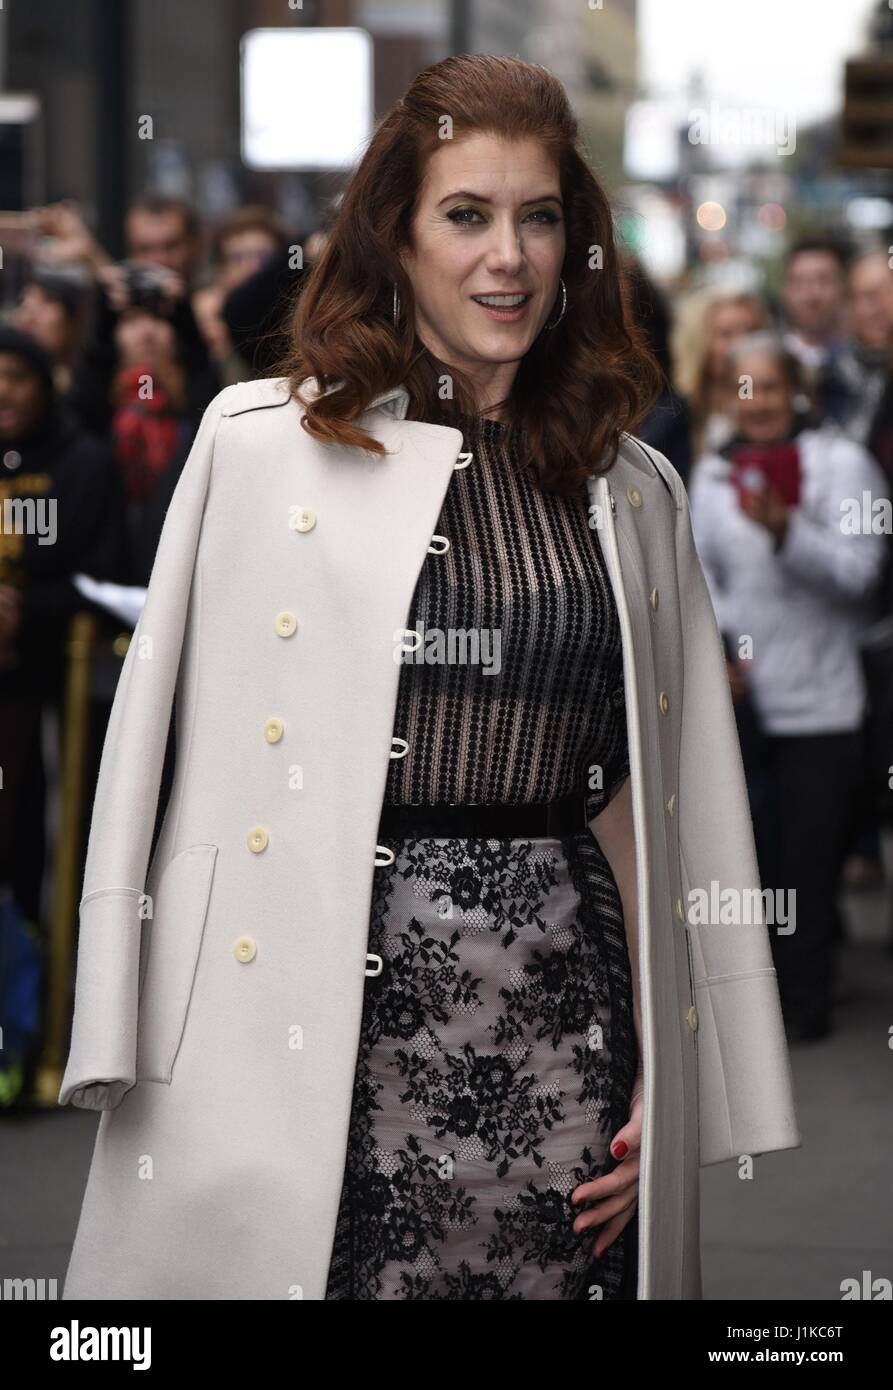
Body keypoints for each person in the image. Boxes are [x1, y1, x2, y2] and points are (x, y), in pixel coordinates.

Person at [58, 54, 799, 1302]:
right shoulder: (260, 449)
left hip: (560, 1022)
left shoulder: (632, 490)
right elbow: (146, 758)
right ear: (395, 239)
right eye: (465, 216)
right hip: (300, 1025)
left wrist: (666, 1068)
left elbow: (654, 801)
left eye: (538, 217)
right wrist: (118, 1011)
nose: (505, 257)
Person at [689, 332, 889, 1041]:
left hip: (823, 705)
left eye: (768, 387)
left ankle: (802, 1010)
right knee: (752, 868)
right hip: (744, 708)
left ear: (794, 391)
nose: (756, 403)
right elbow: (702, 577)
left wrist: (785, 533)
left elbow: (862, 578)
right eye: (740, 389)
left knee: (807, 871)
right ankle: (753, 1014)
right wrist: (713, 651)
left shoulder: (839, 465)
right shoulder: (713, 476)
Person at [671, 285, 766, 457]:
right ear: (699, 342)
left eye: (751, 332)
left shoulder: (772, 409)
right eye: (726, 334)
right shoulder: (673, 415)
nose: (742, 343)